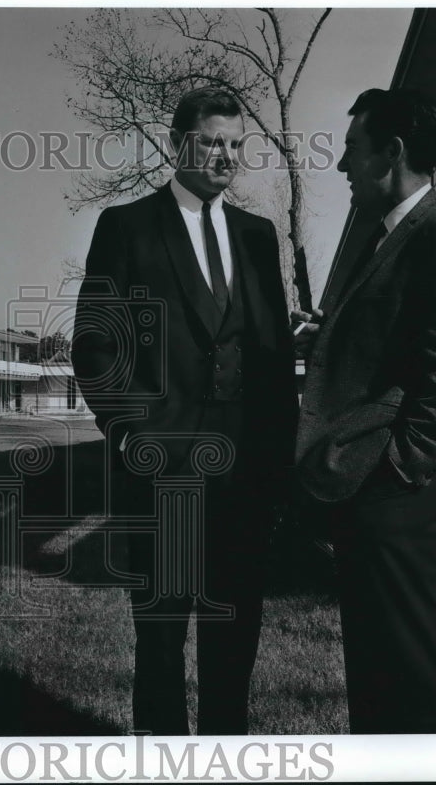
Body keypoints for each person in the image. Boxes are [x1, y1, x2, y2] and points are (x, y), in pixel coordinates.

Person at [72, 86, 297, 735]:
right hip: (159, 479)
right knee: (161, 646)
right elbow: (94, 343)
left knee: (235, 647)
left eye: (235, 144)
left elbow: (275, 362)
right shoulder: (127, 227)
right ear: (178, 146)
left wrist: (278, 470)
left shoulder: (258, 237)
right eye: (211, 143)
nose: (225, 155)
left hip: (245, 485)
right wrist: (128, 432)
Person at [292, 87, 436, 733]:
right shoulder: (390, 239)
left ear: (393, 153)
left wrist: (397, 473)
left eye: (353, 149)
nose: (342, 165)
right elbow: (400, 351)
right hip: (374, 504)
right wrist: (329, 332)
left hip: (397, 504)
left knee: (414, 690)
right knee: (379, 690)